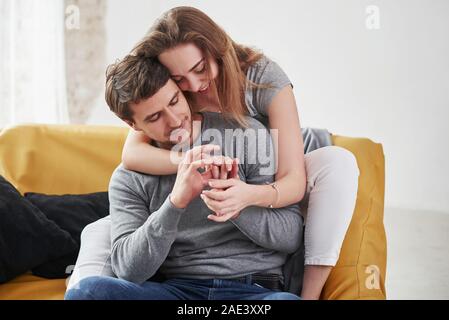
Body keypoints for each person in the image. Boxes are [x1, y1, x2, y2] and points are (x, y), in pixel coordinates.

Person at [120, 6, 359, 299]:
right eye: (179, 79)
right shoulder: (165, 94)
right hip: (207, 173)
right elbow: (132, 154)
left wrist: (245, 196)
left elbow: (292, 180)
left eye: (199, 69)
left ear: (216, 48)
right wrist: (193, 164)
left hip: (278, 155)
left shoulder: (263, 77)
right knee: (100, 238)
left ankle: (308, 292)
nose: (194, 85)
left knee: (338, 163)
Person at [65, 55, 303, 300]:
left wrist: (237, 205)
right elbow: (129, 271)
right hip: (178, 292)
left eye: (175, 101)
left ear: (180, 88)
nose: (175, 120)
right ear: (132, 124)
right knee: (87, 293)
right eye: (155, 117)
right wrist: (174, 203)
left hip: (254, 290)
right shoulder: (129, 179)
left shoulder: (246, 134)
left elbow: (291, 236)